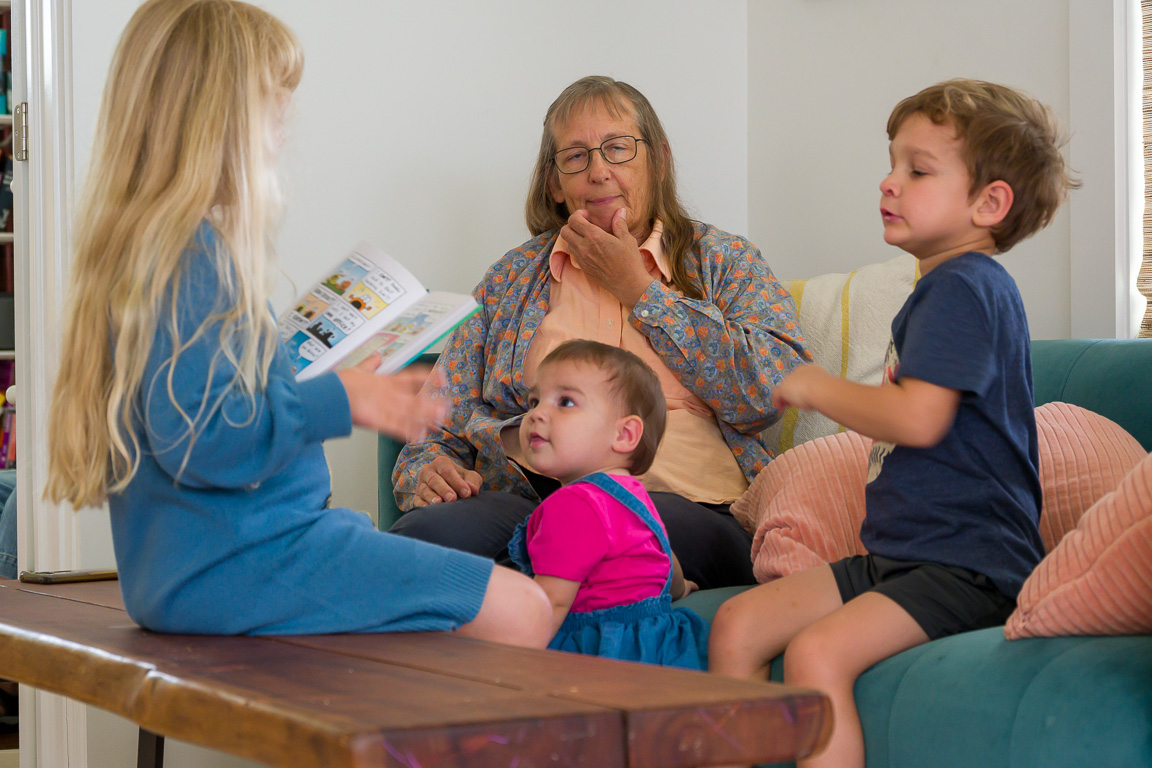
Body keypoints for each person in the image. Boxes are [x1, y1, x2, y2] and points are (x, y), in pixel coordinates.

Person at [43, 0, 550, 646]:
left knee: (432, 584)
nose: (282, 132)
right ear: (215, 122)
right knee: (524, 610)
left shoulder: (157, 250)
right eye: (272, 109)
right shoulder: (192, 255)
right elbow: (200, 438)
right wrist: (345, 398)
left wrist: (314, 378)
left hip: (204, 562)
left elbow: (202, 408)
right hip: (242, 560)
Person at [708, 79, 1079, 768]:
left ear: (989, 202)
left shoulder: (965, 286)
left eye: (918, 170)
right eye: (892, 163)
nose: (889, 182)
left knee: (817, 653)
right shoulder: (940, 290)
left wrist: (818, 385)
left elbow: (917, 417)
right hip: (901, 557)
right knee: (738, 623)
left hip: (968, 566)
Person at [392, 75, 809, 590]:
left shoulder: (724, 260)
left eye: (617, 148)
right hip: (529, 503)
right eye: (575, 157)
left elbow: (775, 390)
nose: (598, 172)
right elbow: (434, 424)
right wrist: (428, 470)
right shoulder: (510, 279)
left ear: (658, 161)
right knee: (418, 541)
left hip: (688, 507)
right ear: (554, 183)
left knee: (599, 534)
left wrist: (640, 291)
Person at [507, 340, 709, 669]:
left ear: (624, 435)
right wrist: (681, 588)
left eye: (566, 401)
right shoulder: (633, 496)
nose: (536, 414)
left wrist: (500, 658)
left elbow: (549, 605)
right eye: (534, 401)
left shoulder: (573, 503)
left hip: (601, 654)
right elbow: (665, 559)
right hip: (656, 645)